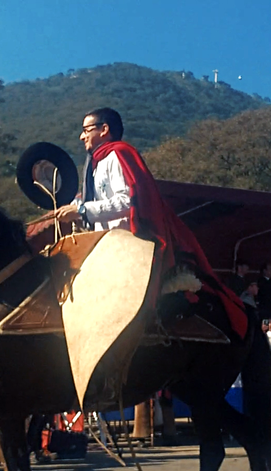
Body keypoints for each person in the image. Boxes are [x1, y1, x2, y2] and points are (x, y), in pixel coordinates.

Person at [54, 107, 247, 339]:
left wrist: (83, 210)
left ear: (104, 130)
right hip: (104, 246)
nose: (82, 136)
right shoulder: (97, 163)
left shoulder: (118, 154)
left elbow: (128, 200)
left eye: (86, 130)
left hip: (124, 246)